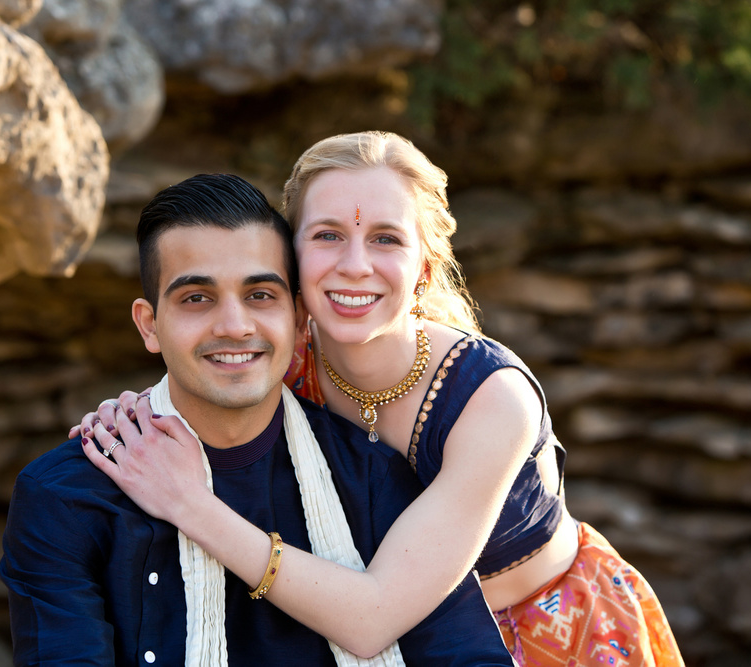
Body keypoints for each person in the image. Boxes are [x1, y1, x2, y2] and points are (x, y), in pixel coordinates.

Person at [79, 132, 685, 665]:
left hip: (545, 637)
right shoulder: (284, 359)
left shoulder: (491, 399)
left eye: (386, 239)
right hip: (357, 631)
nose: (354, 265)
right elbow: (194, 383)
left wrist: (191, 505)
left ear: (424, 268)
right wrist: (137, 420)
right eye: (328, 235)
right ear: (292, 257)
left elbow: (372, 618)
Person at [0, 173, 515, 666]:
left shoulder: (373, 477)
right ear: (149, 325)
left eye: (260, 295)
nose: (234, 325)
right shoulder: (68, 496)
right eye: (196, 298)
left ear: (297, 317)